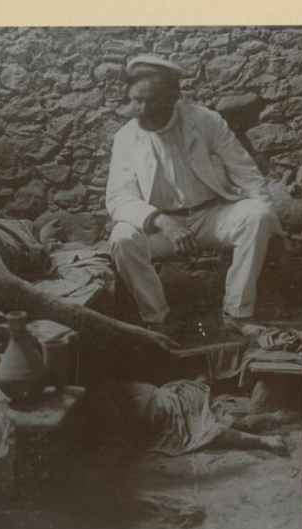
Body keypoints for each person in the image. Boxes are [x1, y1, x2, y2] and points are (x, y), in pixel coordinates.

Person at [106, 55, 283, 334]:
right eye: (136, 100)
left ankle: (237, 314)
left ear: (172, 97)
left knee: (257, 216)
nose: (141, 110)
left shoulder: (206, 121)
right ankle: (158, 319)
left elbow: (247, 174)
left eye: (150, 101)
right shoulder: (126, 137)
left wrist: (273, 226)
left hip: (212, 216)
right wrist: (161, 220)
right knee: (122, 238)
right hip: (163, 227)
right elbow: (119, 197)